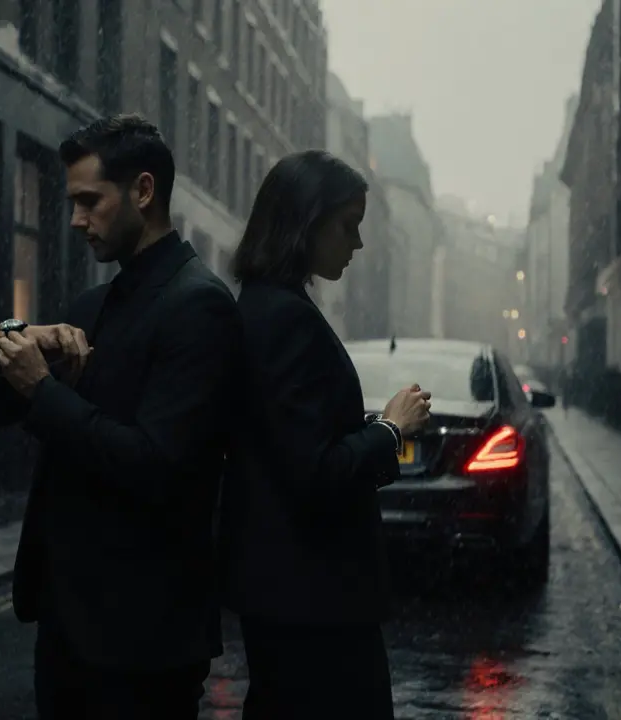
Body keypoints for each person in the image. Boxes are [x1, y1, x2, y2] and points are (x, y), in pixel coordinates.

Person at [0, 114, 239, 720]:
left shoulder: (201, 307)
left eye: (90, 201)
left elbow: (157, 468)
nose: (75, 219)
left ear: (143, 191)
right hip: (70, 628)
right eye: (72, 202)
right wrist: (16, 336)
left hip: (143, 645)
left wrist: (45, 392)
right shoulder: (97, 303)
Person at [217, 150, 433, 719]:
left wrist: (366, 427)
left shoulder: (269, 307)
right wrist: (391, 428)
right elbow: (313, 472)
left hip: (292, 594)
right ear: (305, 222)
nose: (357, 243)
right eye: (347, 225)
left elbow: (288, 437)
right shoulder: (284, 317)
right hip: (312, 598)